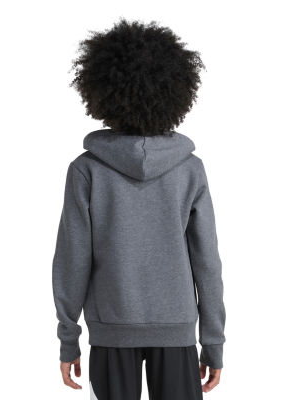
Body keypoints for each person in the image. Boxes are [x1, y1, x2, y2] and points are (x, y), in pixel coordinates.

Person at [52, 18, 226, 400]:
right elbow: (207, 262)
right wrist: (213, 342)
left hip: (110, 329)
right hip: (177, 329)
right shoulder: (189, 169)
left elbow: (71, 261)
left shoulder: (86, 170)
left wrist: (68, 339)